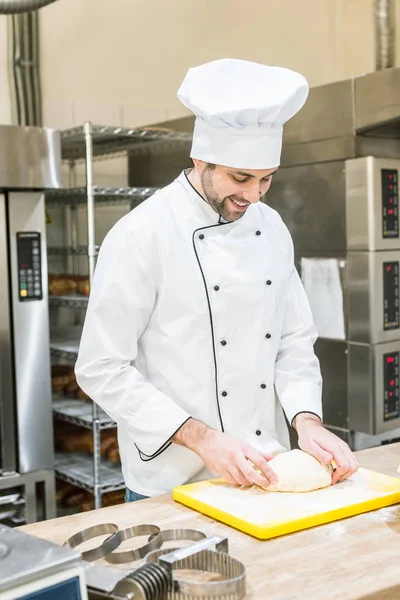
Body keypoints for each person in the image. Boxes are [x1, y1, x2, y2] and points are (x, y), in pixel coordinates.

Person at [75, 58, 359, 501]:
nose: (253, 195)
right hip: (174, 480)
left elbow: (294, 341)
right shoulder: (142, 234)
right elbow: (101, 368)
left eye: (266, 180)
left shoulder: (272, 228)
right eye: (240, 178)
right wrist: (204, 439)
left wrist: (307, 420)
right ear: (200, 158)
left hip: (267, 471)